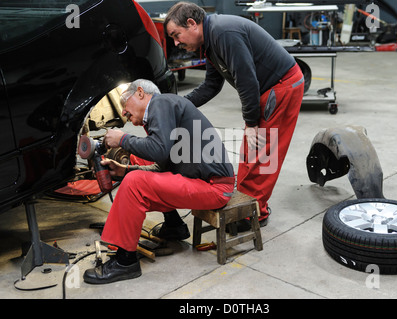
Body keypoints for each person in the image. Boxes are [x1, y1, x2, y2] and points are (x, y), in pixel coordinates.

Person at [164, 2, 304, 231]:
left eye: (176, 35)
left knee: (263, 152)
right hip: (266, 88)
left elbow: (247, 80)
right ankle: (246, 203)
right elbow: (211, 86)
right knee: (250, 152)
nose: (176, 43)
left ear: (191, 23)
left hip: (282, 85)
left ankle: (254, 214)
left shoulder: (223, 33)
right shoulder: (209, 41)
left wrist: (251, 124)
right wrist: (177, 105)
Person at [83, 79, 234, 284]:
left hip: (214, 187)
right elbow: (161, 167)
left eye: (126, 109)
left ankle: (126, 262)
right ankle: (174, 226)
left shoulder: (160, 103)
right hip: (202, 182)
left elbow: (159, 149)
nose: (126, 117)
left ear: (140, 93)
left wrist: (123, 139)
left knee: (136, 183)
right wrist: (124, 170)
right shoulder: (165, 111)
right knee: (136, 174)